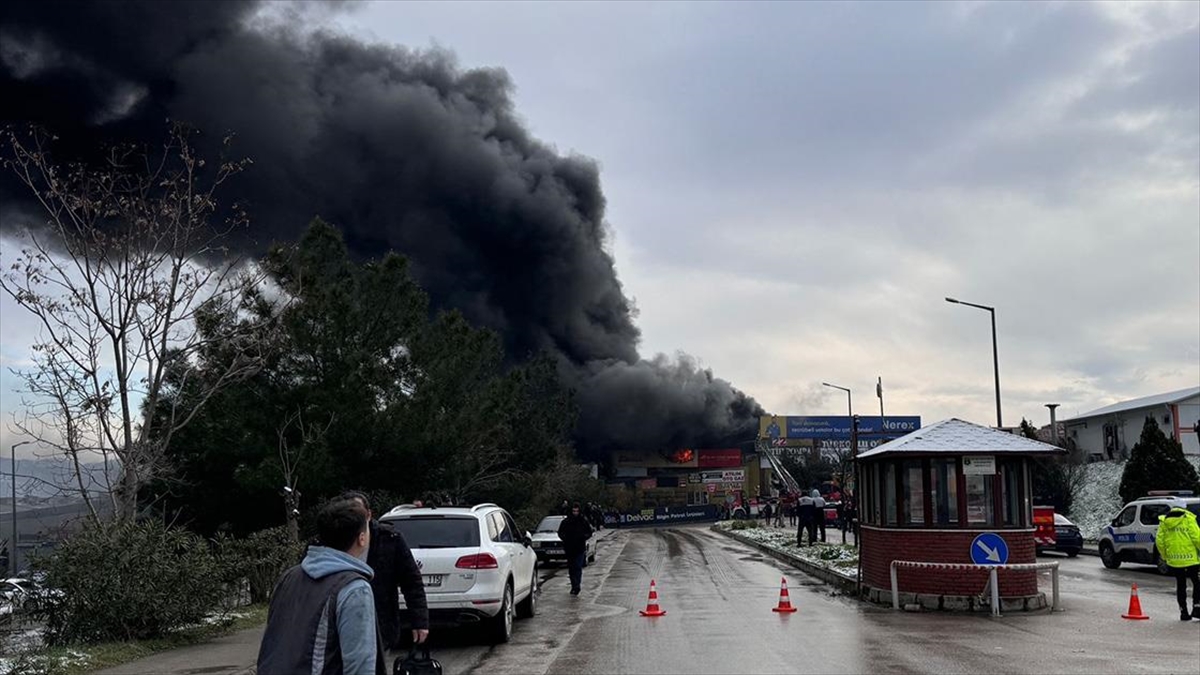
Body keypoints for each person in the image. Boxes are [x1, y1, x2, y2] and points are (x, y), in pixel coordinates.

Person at [257, 499, 384, 675]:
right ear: (361, 539)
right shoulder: (354, 588)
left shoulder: (290, 576)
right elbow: (360, 663)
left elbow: (272, 640)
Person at [339, 491, 429, 648]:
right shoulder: (328, 541)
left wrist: (419, 621)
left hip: (380, 625)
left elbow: (411, 581)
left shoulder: (389, 539)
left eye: (358, 514)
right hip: (339, 625)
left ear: (368, 514)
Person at [1155, 504, 1200, 621]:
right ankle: (1197, 608)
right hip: (1191, 559)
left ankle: (1183, 612)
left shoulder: (1164, 522)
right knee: (1197, 582)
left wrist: (1165, 556)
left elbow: (1160, 541)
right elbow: (1197, 537)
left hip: (1174, 560)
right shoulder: (1188, 519)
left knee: (1181, 585)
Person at [558, 502, 594, 595]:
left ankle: (577, 586)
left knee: (578, 567)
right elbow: (560, 532)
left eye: (577, 511)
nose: (575, 513)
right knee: (571, 568)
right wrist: (565, 539)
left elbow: (589, 532)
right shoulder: (566, 522)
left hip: (580, 548)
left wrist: (583, 537)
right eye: (574, 511)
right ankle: (574, 585)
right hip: (569, 548)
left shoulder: (583, 521)